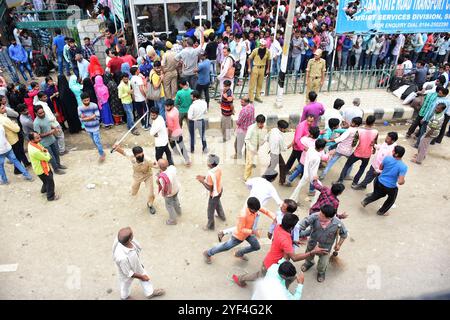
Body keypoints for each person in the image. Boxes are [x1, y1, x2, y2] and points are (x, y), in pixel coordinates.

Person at [234, 213, 328, 287]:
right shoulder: (285, 240)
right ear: (291, 227)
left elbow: (282, 241)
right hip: (271, 265)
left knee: (286, 278)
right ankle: (240, 279)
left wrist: (292, 242)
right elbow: (294, 258)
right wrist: (313, 252)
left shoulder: (279, 226)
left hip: (273, 261)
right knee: (259, 276)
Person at [203, 197, 276, 264]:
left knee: (256, 246)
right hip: (238, 236)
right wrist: (253, 232)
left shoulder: (255, 207)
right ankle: (208, 253)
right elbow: (241, 229)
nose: (257, 212)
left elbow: (266, 211)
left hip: (248, 233)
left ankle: (239, 253)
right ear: (250, 207)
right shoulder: (243, 215)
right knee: (226, 247)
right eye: (255, 210)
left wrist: (274, 217)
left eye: (257, 210)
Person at [112, 227, 165, 299]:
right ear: (129, 239)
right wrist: (141, 277)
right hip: (126, 272)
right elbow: (128, 273)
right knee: (125, 285)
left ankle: (149, 293)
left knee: (145, 276)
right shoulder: (122, 257)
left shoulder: (124, 240)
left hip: (136, 265)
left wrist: (138, 265)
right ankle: (125, 297)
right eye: (132, 234)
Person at [299, 204, 348, 282]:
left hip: (325, 248)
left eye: (321, 215)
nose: (319, 215)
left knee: (323, 263)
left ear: (329, 218)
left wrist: (339, 244)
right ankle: (309, 263)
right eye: (320, 212)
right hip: (312, 243)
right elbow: (303, 223)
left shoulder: (338, 224)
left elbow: (344, 234)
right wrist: (297, 229)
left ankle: (321, 272)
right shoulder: (315, 216)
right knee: (308, 255)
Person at [361, 146, 407, 216]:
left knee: (378, 194)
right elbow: (400, 182)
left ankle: (366, 201)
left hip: (379, 181)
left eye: (393, 151)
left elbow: (380, 168)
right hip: (390, 186)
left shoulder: (387, 158)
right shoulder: (403, 166)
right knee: (391, 199)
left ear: (397, 154)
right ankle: (382, 211)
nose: (392, 152)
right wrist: (403, 180)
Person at [112, 145, 157, 215]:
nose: (141, 157)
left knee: (151, 193)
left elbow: (157, 165)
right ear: (134, 155)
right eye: (139, 156)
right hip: (137, 176)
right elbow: (123, 152)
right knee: (134, 190)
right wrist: (116, 148)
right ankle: (134, 193)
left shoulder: (148, 160)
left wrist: (164, 166)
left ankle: (150, 204)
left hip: (148, 175)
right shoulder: (131, 156)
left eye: (142, 154)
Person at [336, 115, 378, 186]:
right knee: (362, 168)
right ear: (373, 123)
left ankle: (340, 181)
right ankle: (355, 182)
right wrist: (374, 150)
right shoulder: (376, 132)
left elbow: (354, 142)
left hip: (357, 152)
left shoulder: (359, 130)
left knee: (347, 165)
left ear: (366, 121)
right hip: (367, 154)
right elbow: (375, 142)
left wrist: (351, 148)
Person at [33, 105, 67, 174]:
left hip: (52, 139)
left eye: (43, 112)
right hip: (45, 143)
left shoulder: (45, 116)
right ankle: (56, 169)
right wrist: (50, 132)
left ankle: (59, 165)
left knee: (56, 153)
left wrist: (54, 128)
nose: (42, 114)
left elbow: (48, 124)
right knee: (51, 157)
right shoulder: (36, 123)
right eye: (40, 113)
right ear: (36, 113)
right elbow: (38, 135)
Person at [196, 154, 226, 231]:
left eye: (208, 161)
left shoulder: (210, 174)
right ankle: (222, 216)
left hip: (214, 194)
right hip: (219, 190)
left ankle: (210, 226)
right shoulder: (218, 169)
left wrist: (202, 181)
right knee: (218, 204)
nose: (206, 162)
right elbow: (214, 179)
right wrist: (204, 177)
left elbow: (210, 188)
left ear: (210, 164)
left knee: (210, 211)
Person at [27, 131, 60, 200]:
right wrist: (47, 152)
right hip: (42, 169)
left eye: (39, 136)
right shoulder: (34, 150)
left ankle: (44, 190)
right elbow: (47, 158)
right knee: (50, 181)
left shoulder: (32, 144)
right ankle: (50, 196)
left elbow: (42, 148)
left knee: (45, 181)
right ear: (32, 140)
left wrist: (45, 151)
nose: (40, 139)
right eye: (37, 138)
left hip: (40, 168)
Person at [77, 93, 106, 162]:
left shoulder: (94, 105)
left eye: (88, 100)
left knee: (97, 141)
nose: (87, 102)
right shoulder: (80, 108)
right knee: (94, 141)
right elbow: (81, 119)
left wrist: (86, 118)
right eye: (85, 101)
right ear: (82, 100)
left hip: (95, 127)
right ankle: (100, 150)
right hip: (88, 127)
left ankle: (102, 154)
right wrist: (92, 116)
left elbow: (97, 117)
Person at [165, 99, 190, 166]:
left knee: (172, 144)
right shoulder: (175, 110)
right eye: (166, 106)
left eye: (168, 106)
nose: (166, 108)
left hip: (173, 133)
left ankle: (177, 153)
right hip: (178, 130)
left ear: (172, 106)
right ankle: (187, 159)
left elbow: (170, 128)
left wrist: (169, 136)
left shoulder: (170, 115)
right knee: (182, 145)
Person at [156, 158, 181, 225]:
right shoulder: (172, 168)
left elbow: (159, 184)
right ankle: (179, 212)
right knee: (176, 200)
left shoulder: (161, 177)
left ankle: (173, 220)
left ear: (159, 166)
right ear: (167, 164)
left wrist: (158, 177)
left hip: (169, 194)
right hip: (176, 189)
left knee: (169, 206)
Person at [264, 120, 289, 185]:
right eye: (285, 129)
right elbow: (284, 148)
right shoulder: (280, 137)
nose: (286, 130)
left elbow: (267, 138)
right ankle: (281, 181)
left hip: (272, 151)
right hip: (276, 154)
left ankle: (266, 178)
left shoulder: (273, 130)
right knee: (281, 166)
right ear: (281, 128)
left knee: (273, 166)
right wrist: (291, 144)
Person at [244, 114, 267, 181]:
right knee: (249, 163)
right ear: (256, 122)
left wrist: (264, 139)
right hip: (250, 147)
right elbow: (246, 139)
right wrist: (252, 148)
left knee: (252, 161)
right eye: (260, 124)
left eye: (262, 123)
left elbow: (263, 136)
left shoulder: (263, 126)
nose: (261, 125)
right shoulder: (251, 128)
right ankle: (246, 177)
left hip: (257, 147)